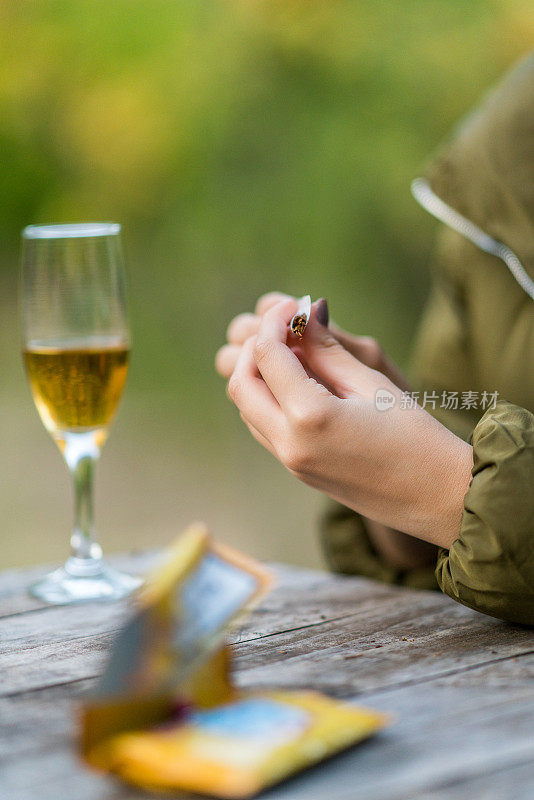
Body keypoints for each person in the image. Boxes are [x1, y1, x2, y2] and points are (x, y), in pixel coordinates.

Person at [215, 52, 534, 626]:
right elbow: (455, 440)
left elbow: (454, 489)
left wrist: (448, 495)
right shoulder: (500, 166)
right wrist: (389, 472)